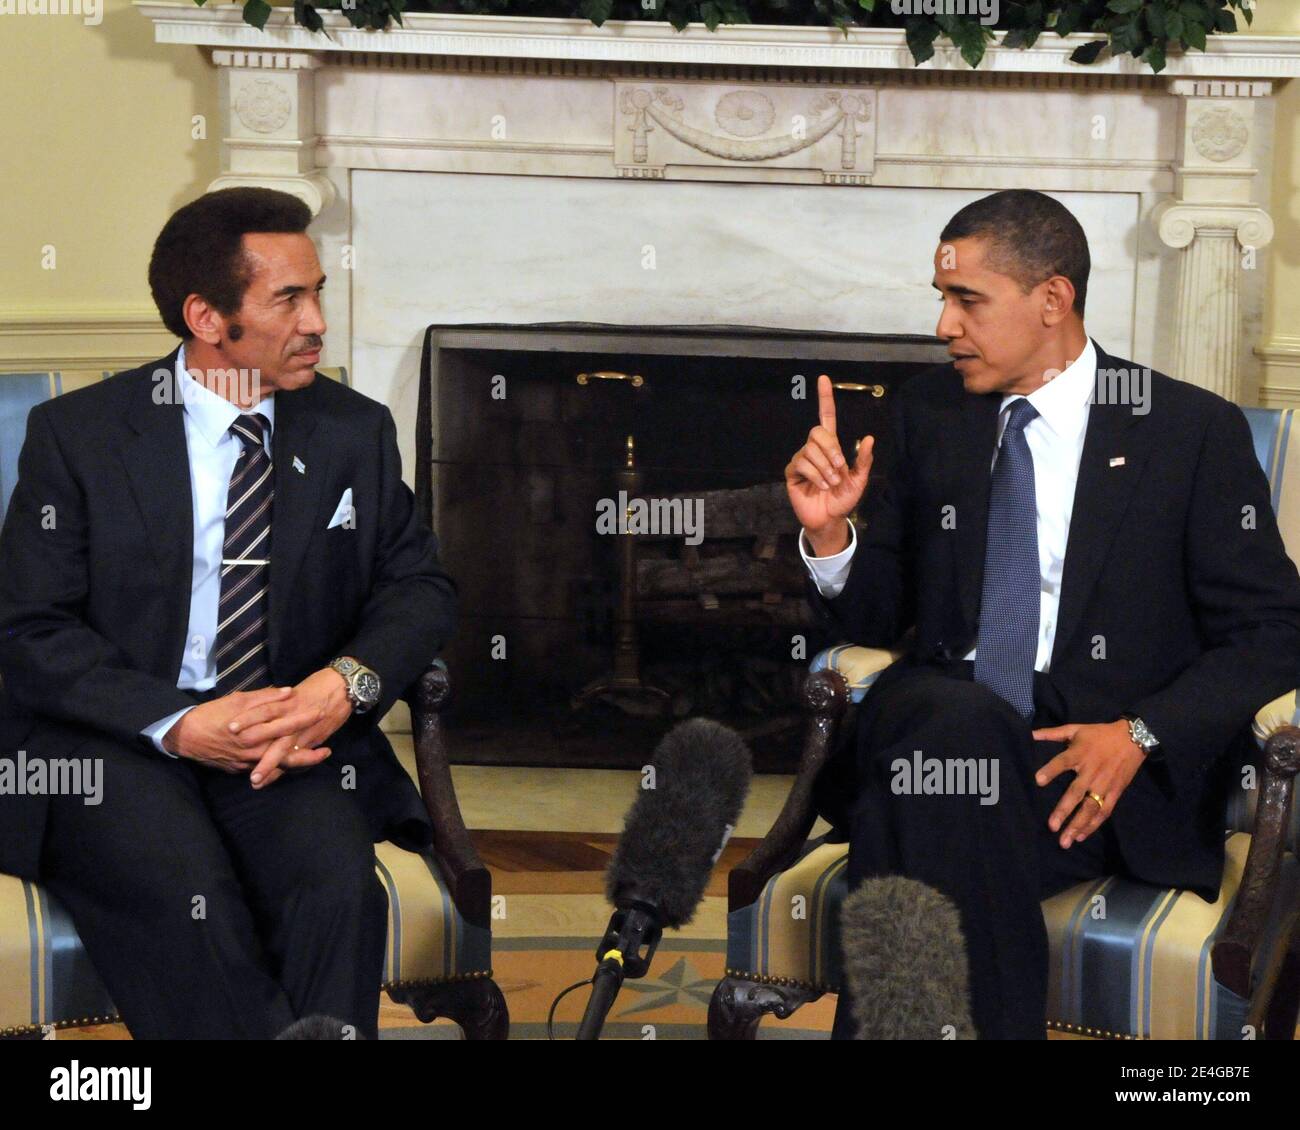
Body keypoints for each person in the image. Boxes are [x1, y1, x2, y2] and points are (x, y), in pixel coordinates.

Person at [784, 189, 1300, 1039]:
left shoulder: (1186, 432)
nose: (945, 325)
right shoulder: (929, 418)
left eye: (967, 301)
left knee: (927, 827)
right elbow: (875, 617)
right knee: (953, 723)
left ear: (1052, 299)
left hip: (1081, 780)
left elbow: (1274, 633)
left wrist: (1138, 733)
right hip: (934, 722)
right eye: (941, 300)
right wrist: (832, 533)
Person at [0, 187, 457, 1039]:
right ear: (206, 317)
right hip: (118, 744)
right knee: (181, 890)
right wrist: (179, 723)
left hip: (288, 736)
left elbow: (418, 587)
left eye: (318, 290)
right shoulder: (82, 435)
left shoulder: (351, 430)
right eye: (289, 299)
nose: (318, 320)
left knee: (335, 886)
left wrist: (340, 687)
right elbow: (31, 629)